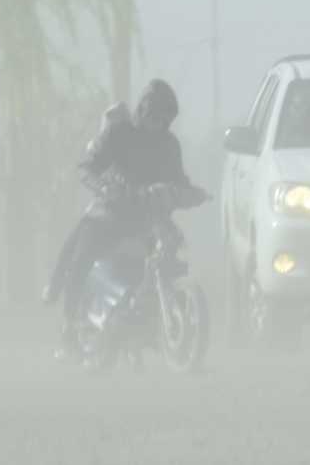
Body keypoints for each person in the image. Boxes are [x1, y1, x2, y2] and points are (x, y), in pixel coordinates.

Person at [43, 79, 205, 324]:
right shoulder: (119, 134)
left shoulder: (170, 145)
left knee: (174, 253)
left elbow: (178, 180)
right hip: (113, 212)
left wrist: (194, 193)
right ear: (142, 111)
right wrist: (104, 187)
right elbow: (87, 167)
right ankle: (69, 327)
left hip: (151, 218)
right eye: (154, 117)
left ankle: (162, 306)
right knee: (82, 254)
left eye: (163, 119)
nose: (157, 124)